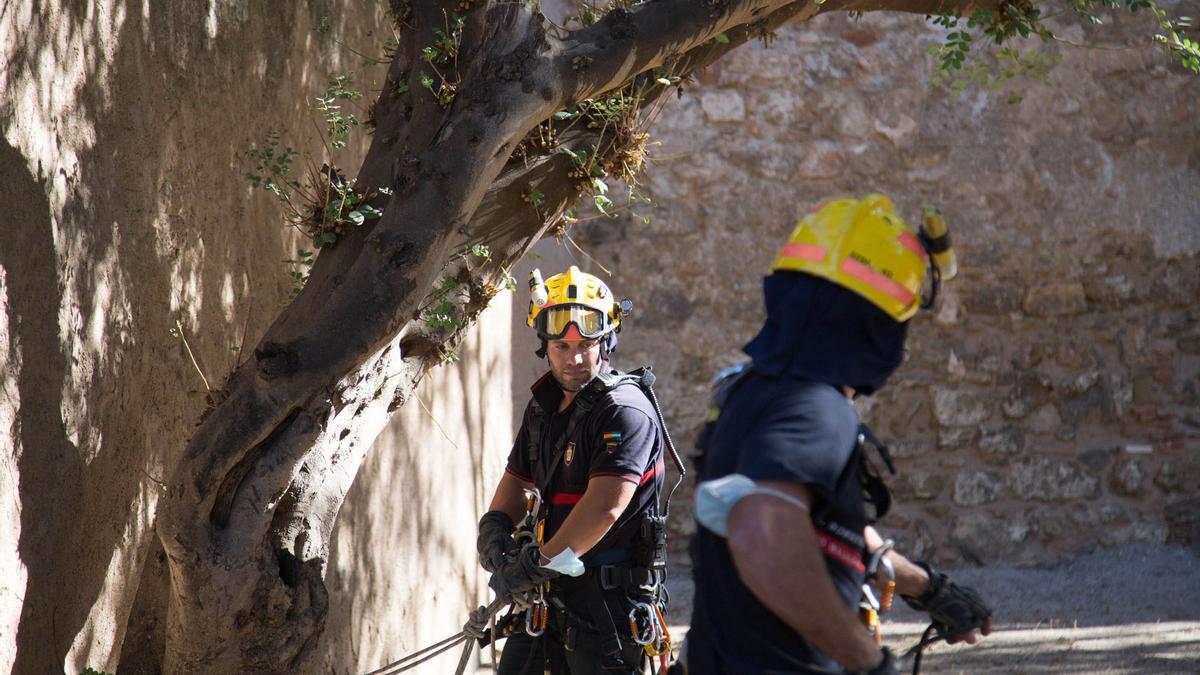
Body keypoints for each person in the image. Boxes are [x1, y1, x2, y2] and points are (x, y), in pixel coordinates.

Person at [682, 194, 993, 674]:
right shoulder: (816, 409)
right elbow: (762, 534)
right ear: (880, 326)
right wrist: (867, 662)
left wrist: (927, 587)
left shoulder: (747, 393)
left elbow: (820, 531)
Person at [477, 265, 679, 674]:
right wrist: (494, 530)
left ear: (607, 342)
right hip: (547, 596)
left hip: (609, 605)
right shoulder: (544, 406)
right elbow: (515, 484)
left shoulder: (624, 411)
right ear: (545, 346)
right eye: (562, 346)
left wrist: (534, 565)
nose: (575, 357)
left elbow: (605, 506)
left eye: (587, 344)